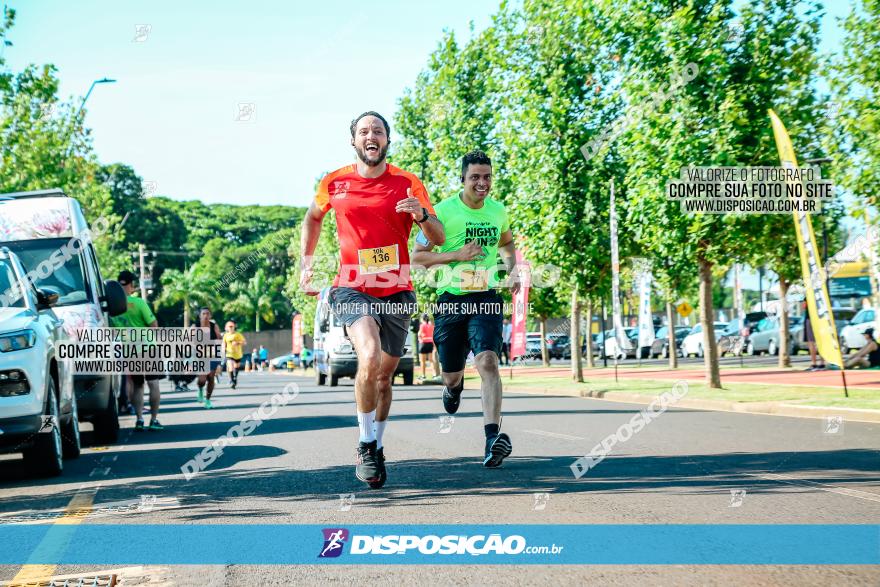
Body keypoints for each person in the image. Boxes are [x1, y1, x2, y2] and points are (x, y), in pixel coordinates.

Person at [299, 111, 444, 488]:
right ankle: (365, 445)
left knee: (384, 377)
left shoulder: (409, 182)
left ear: (387, 140)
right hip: (351, 286)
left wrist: (423, 215)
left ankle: (377, 446)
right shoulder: (334, 182)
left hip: (396, 288)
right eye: (363, 131)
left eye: (377, 130)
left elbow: (438, 236)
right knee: (369, 354)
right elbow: (313, 218)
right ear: (353, 141)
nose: (371, 136)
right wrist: (307, 264)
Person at [411, 150, 519, 468]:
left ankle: (491, 439)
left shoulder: (499, 211)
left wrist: (512, 269)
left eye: (487, 177)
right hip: (451, 301)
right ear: (463, 178)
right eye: (475, 177)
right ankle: (453, 389)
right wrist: (456, 254)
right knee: (451, 374)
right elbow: (417, 257)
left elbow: (507, 242)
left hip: (485, 295)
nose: (482, 183)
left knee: (488, 362)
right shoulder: (441, 212)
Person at [113, 270, 164, 431]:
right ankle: (154, 420)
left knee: (138, 386)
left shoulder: (113, 307)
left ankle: (140, 419)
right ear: (132, 285)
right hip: (148, 348)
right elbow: (153, 325)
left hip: (129, 351)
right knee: (153, 383)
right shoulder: (139, 303)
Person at [196, 306, 223, 409]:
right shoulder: (196, 326)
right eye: (203, 314)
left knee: (211, 376)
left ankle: (207, 400)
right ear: (200, 316)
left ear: (210, 315)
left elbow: (219, 338)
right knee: (202, 380)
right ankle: (200, 389)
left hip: (212, 354)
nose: (206, 315)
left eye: (207, 313)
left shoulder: (213, 326)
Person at [223, 320, 245, 389]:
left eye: (232, 326)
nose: (231, 328)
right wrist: (223, 349)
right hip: (229, 354)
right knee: (230, 366)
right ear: (226, 327)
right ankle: (232, 381)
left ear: (234, 327)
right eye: (229, 326)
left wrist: (237, 343)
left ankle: (235, 378)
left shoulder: (238, 334)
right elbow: (224, 343)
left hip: (238, 354)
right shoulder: (226, 335)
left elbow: (244, 342)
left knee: (236, 367)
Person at [803, 302, 825, 371]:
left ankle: (814, 363)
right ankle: (822, 363)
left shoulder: (807, 293)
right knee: (820, 342)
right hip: (820, 318)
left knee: (811, 342)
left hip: (811, 318)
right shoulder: (820, 292)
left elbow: (804, 306)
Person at [417, 314, 439, 382]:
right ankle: (434, 375)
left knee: (422, 361)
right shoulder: (431, 326)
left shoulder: (422, 325)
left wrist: (420, 337)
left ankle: (423, 376)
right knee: (431, 360)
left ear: (422, 319)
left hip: (423, 343)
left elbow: (419, 334)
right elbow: (433, 335)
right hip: (430, 343)